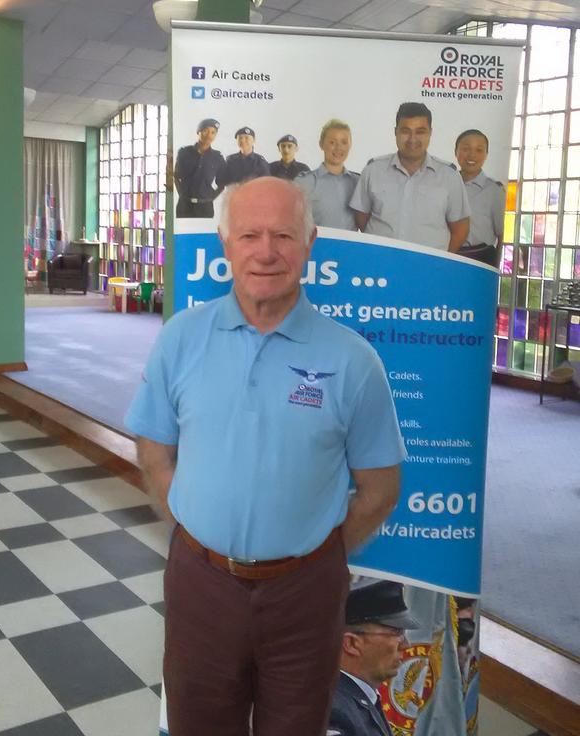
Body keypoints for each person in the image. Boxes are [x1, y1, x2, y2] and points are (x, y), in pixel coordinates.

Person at [125, 176, 406, 736]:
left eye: (283, 235)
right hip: (200, 583)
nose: (266, 251)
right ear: (226, 245)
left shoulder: (353, 359)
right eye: (249, 235)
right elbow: (154, 446)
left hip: (306, 594)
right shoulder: (181, 338)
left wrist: (315, 553)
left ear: (309, 244)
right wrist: (194, 525)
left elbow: (380, 489)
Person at [349, 102, 470, 252]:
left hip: (428, 264)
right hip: (381, 262)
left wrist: (441, 261)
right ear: (396, 132)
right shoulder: (373, 170)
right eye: (405, 131)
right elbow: (362, 219)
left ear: (430, 133)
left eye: (420, 132)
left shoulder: (449, 176)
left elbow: (460, 229)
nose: (412, 139)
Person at [327, 580, 420, 736]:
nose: (406, 645)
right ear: (351, 644)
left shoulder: (356, 699)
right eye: (396, 632)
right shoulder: (333, 710)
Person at [295, 119, 358, 230]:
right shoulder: (304, 182)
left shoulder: (358, 183)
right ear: (321, 144)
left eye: (344, 142)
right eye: (332, 142)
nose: (338, 148)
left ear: (350, 145)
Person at [455, 129, 505, 267]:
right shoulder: (445, 185)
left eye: (479, 150)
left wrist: (495, 269)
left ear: (486, 154)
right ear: (456, 152)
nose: (472, 155)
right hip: (449, 257)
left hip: (480, 259)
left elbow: (502, 235)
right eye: (466, 149)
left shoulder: (495, 191)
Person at [174, 118, 225, 218]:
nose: (209, 135)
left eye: (213, 132)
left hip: (205, 208)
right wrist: (181, 194)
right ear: (198, 132)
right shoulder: (184, 152)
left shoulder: (217, 157)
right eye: (205, 131)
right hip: (184, 207)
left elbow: (222, 184)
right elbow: (176, 176)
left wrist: (211, 198)